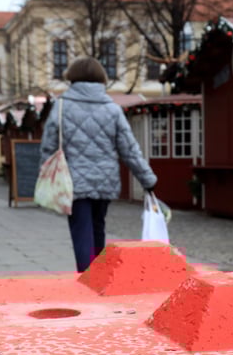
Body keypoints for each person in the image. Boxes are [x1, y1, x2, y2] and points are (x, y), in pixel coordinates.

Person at [39, 56, 157, 272]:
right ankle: (98, 275)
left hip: (73, 181)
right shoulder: (112, 109)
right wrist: (147, 179)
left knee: (81, 229)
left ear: (72, 78)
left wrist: (45, 174)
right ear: (100, 79)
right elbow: (129, 149)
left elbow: (48, 145)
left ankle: (86, 276)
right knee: (97, 227)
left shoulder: (62, 106)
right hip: (105, 180)